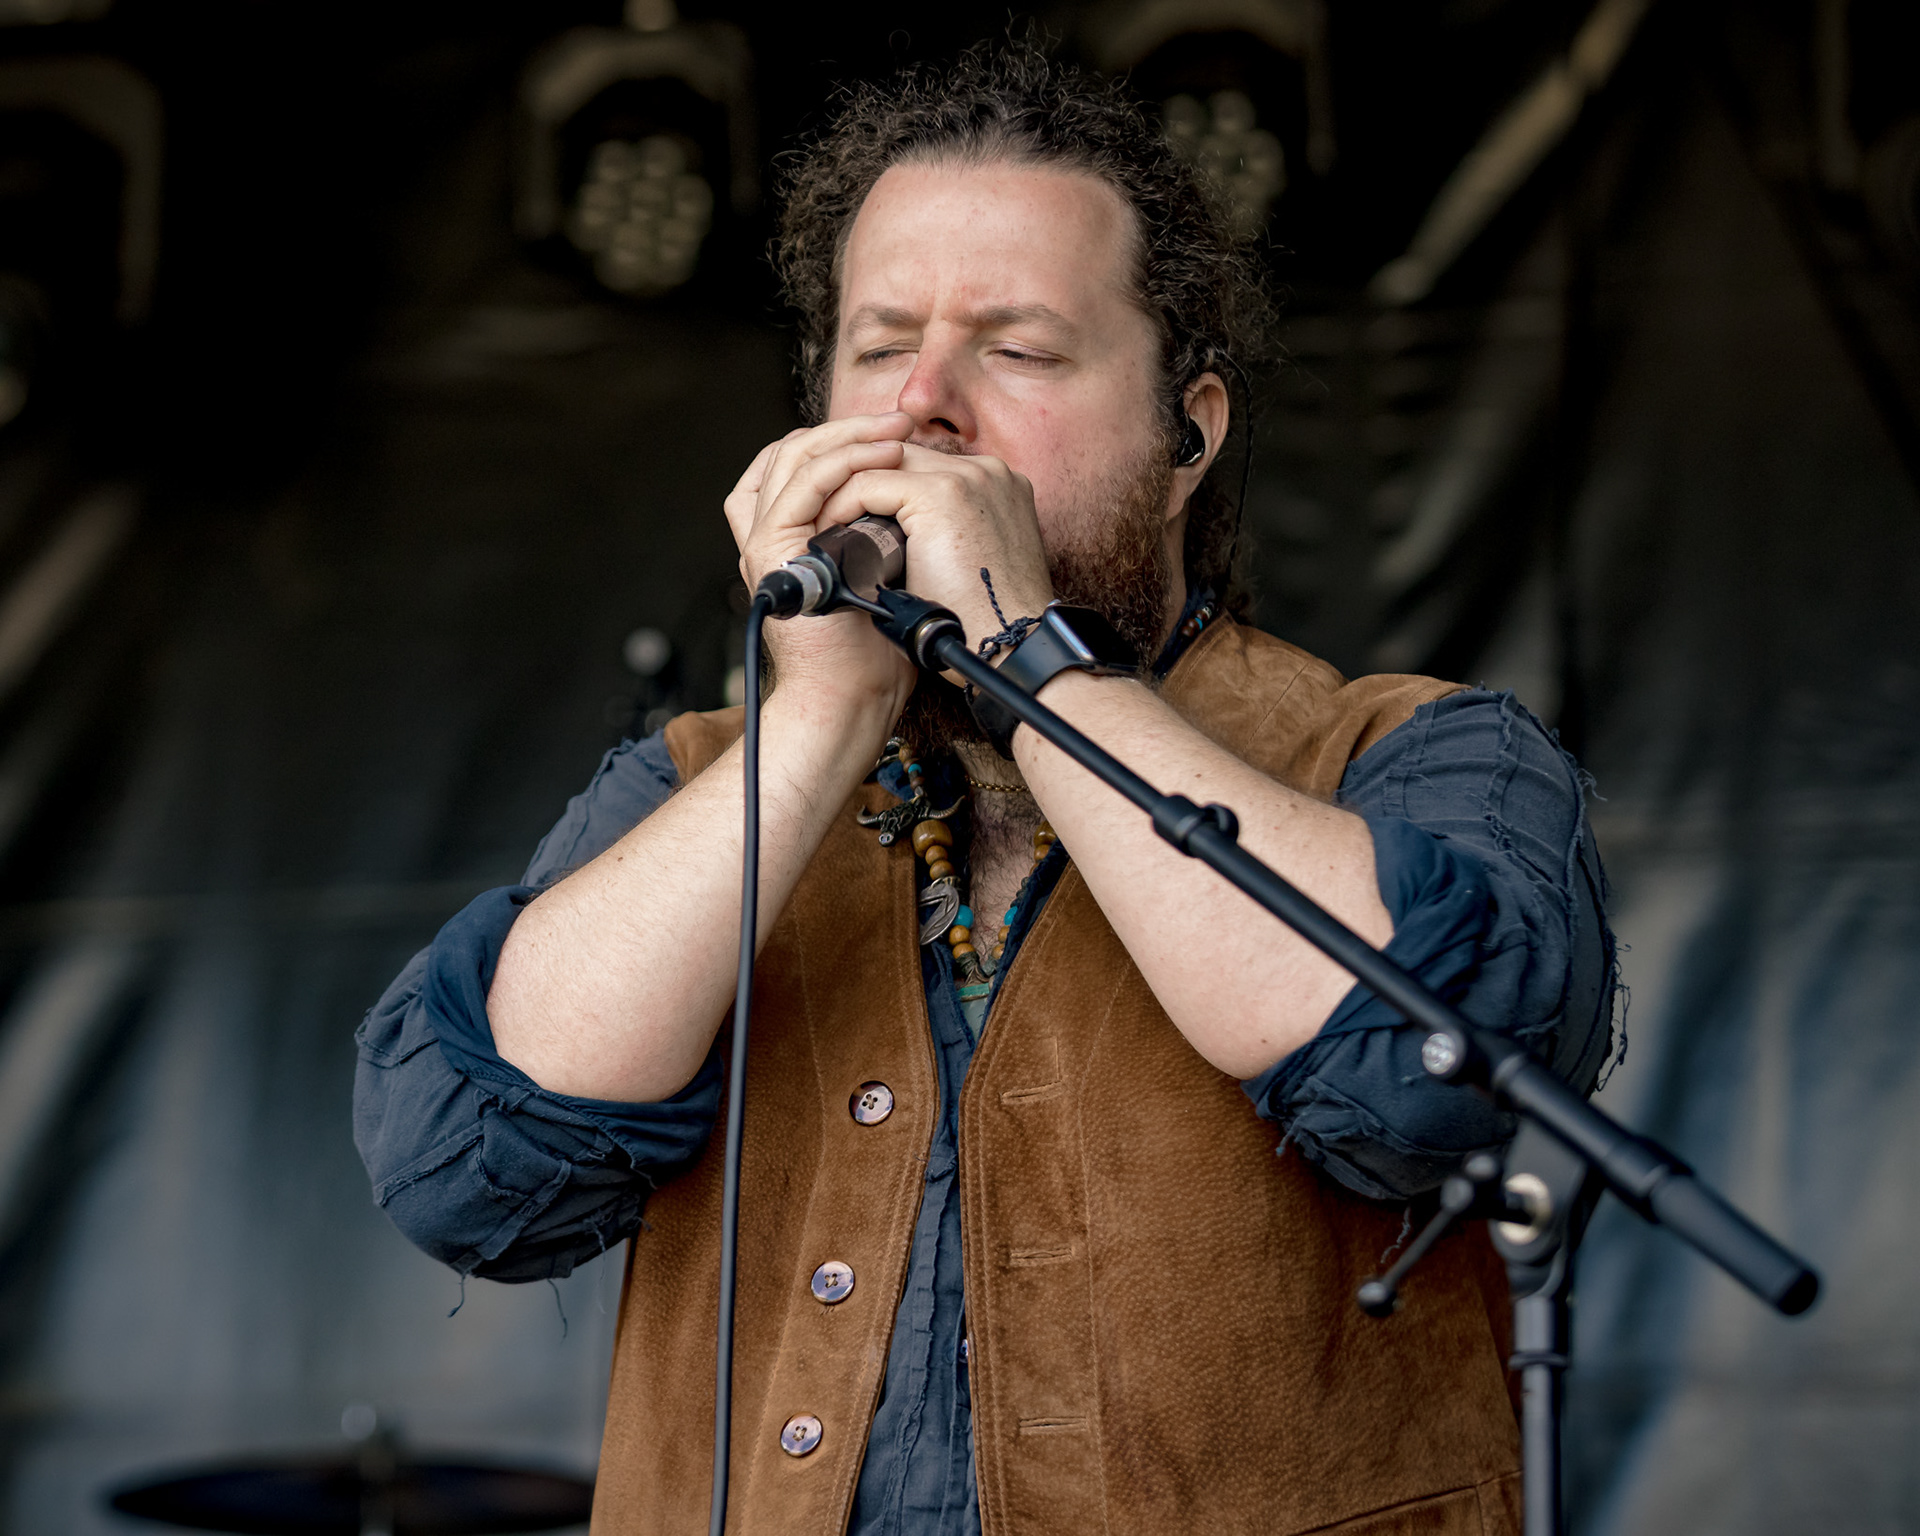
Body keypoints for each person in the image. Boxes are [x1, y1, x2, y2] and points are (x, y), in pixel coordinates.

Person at [355, 38, 1614, 1536]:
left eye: (1018, 351)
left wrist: (1032, 653)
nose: (926, 409)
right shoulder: (699, 787)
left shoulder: (1409, 756)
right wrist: (815, 721)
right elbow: (468, 1168)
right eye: (880, 348)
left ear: (1184, 437)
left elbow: (1417, 1079)